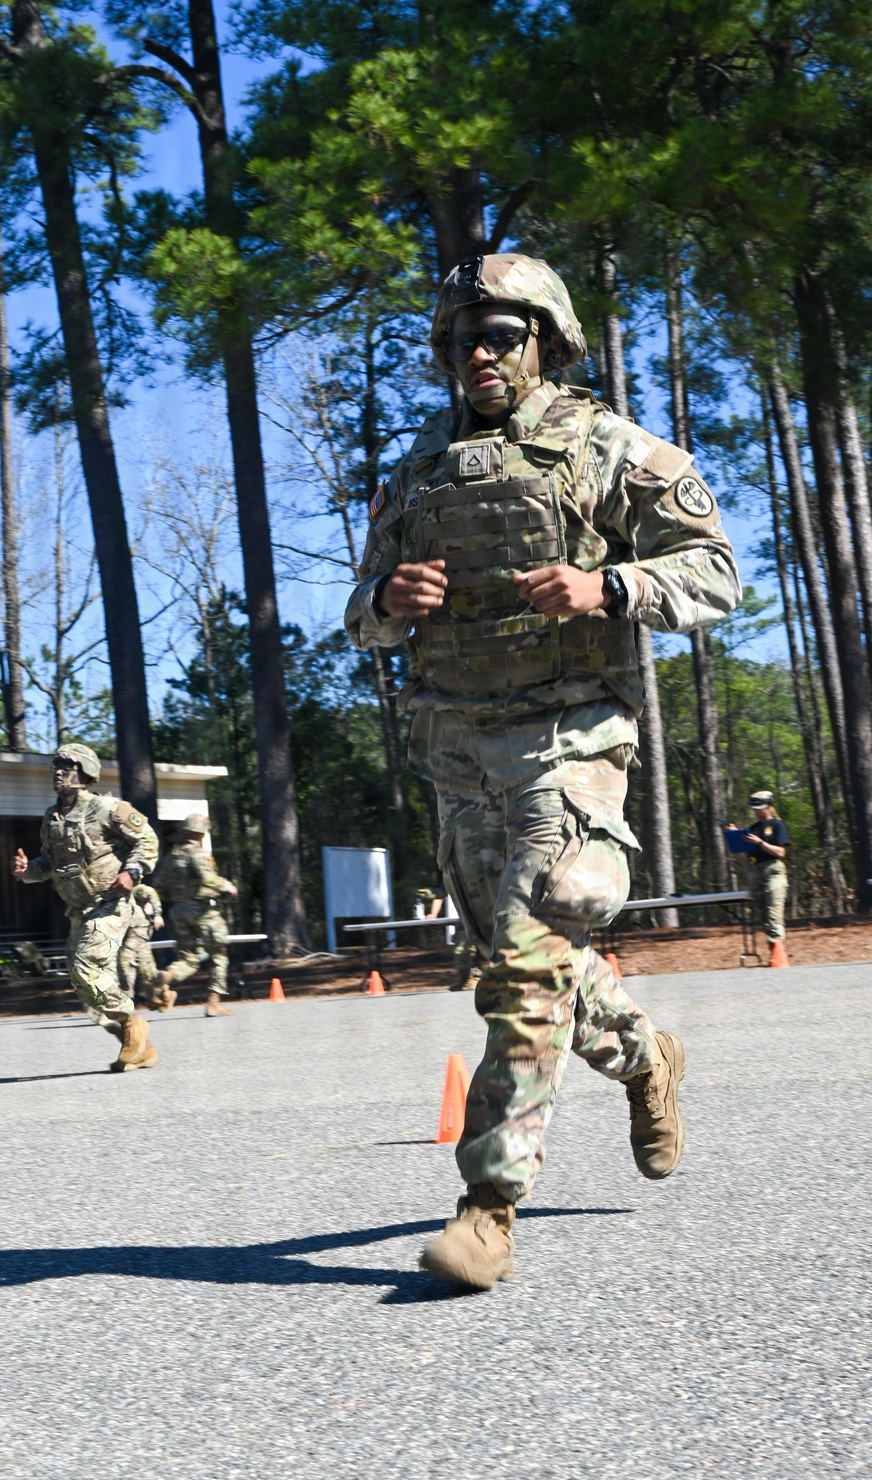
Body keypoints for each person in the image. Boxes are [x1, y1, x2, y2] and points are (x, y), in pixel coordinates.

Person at [345, 252, 741, 1290]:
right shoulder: (421, 468)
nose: (478, 355)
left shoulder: (607, 448)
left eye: (501, 336)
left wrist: (603, 587)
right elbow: (359, 620)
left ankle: (486, 1209)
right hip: (457, 747)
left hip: (566, 737)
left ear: (546, 341)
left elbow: (716, 570)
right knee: (521, 965)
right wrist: (390, 598)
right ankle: (645, 1053)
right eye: (461, 339)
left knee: (528, 966)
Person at [11, 743, 160, 1072]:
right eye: (56, 766)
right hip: (79, 910)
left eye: (68, 766)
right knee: (86, 990)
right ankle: (141, 1048)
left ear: (85, 773)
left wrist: (132, 871)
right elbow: (48, 863)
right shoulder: (52, 817)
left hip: (111, 904)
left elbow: (147, 840)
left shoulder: (108, 808)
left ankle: (132, 1020)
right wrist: (27, 871)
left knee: (86, 968)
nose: (59, 772)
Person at [151, 812, 239, 1017]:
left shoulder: (170, 858)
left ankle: (167, 975)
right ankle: (213, 1003)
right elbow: (208, 878)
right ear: (201, 833)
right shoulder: (198, 854)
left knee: (189, 959)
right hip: (203, 912)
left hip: (178, 912)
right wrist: (228, 887)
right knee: (218, 955)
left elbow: (159, 888)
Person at [735, 791, 790, 955]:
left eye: (761, 808)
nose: (757, 812)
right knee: (764, 915)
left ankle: (778, 953)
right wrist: (737, 837)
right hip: (756, 872)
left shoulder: (777, 825)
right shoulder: (752, 828)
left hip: (773, 871)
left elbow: (781, 852)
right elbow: (746, 854)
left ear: (769, 806)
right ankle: (774, 952)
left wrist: (760, 842)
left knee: (774, 912)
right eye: (755, 809)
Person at [119, 883, 165, 1008]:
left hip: (137, 928)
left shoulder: (131, 888)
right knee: (145, 964)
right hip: (126, 931)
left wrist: (157, 915)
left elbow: (150, 891)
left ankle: (127, 1000)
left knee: (125, 961)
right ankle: (162, 993)